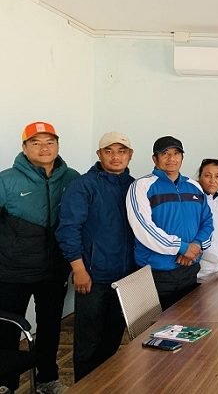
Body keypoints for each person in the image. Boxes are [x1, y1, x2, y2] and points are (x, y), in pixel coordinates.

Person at [0, 121, 79, 394]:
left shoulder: (71, 178)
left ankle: (47, 379)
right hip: (12, 273)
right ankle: (6, 385)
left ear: (57, 145)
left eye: (49, 142)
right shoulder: (6, 180)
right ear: (24, 147)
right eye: (36, 143)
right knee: (7, 331)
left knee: (50, 329)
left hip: (53, 272)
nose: (44, 148)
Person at [55, 132, 136, 382]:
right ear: (99, 154)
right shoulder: (84, 185)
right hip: (93, 277)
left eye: (121, 151)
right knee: (88, 343)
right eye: (108, 151)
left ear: (130, 155)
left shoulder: (135, 186)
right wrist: (79, 269)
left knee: (112, 340)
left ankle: (105, 386)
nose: (115, 156)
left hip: (125, 278)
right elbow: (68, 228)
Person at [126, 136, 213, 309]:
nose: (171, 158)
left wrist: (195, 246)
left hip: (189, 269)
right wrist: (182, 247)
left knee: (189, 322)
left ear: (182, 157)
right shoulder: (141, 186)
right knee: (157, 324)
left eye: (176, 153)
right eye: (165, 153)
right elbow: (144, 228)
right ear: (155, 158)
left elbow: (208, 222)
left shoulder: (194, 187)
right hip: (157, 273)